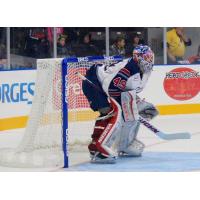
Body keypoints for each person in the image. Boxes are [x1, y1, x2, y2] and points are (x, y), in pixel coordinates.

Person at [82, 45, 158, 164]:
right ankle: (96, 150)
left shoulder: (144, 71)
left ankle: (124, 144)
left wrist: (137, 104)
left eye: (150, 57)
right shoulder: (128, 69)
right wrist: (126, 105)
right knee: (108, 112)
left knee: (135, 110)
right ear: (137, 58)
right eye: (146, 57)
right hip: (94, 82)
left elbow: (128, 90)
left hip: (108, 86)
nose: (149, 60)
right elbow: (112, 89)